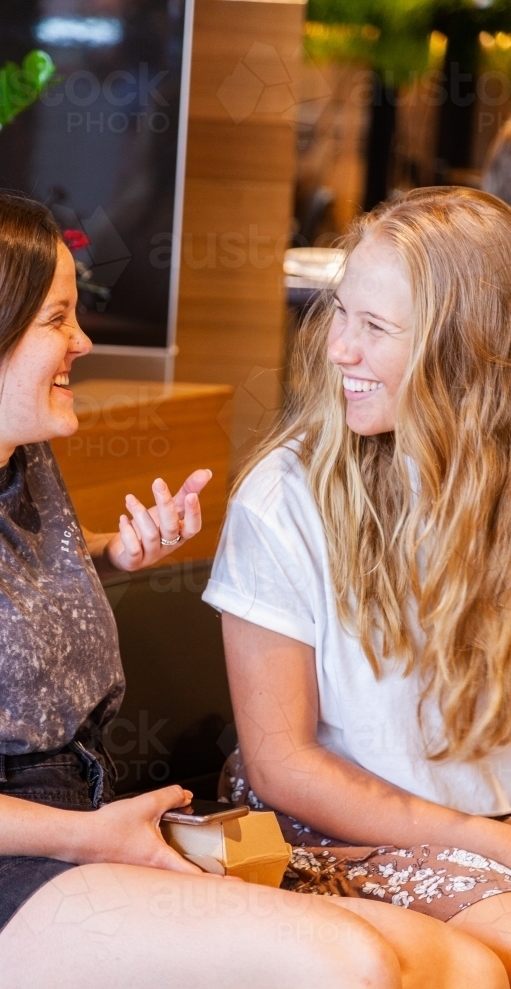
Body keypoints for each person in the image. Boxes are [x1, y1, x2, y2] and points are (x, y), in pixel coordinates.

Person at [0, 190, 500, 989]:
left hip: (69, 825)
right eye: (57, 319)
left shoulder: (20, 464)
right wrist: (81, 837)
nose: (82, 341)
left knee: (462, 965)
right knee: (348, 962)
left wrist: (108, 555)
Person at [203, 185, 511, 980]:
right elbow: (282, 765)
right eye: (340, 314)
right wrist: (486, 840)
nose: (338, 348)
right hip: (320, 832)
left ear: (466, 350)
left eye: (373, 329)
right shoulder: (283, 495)